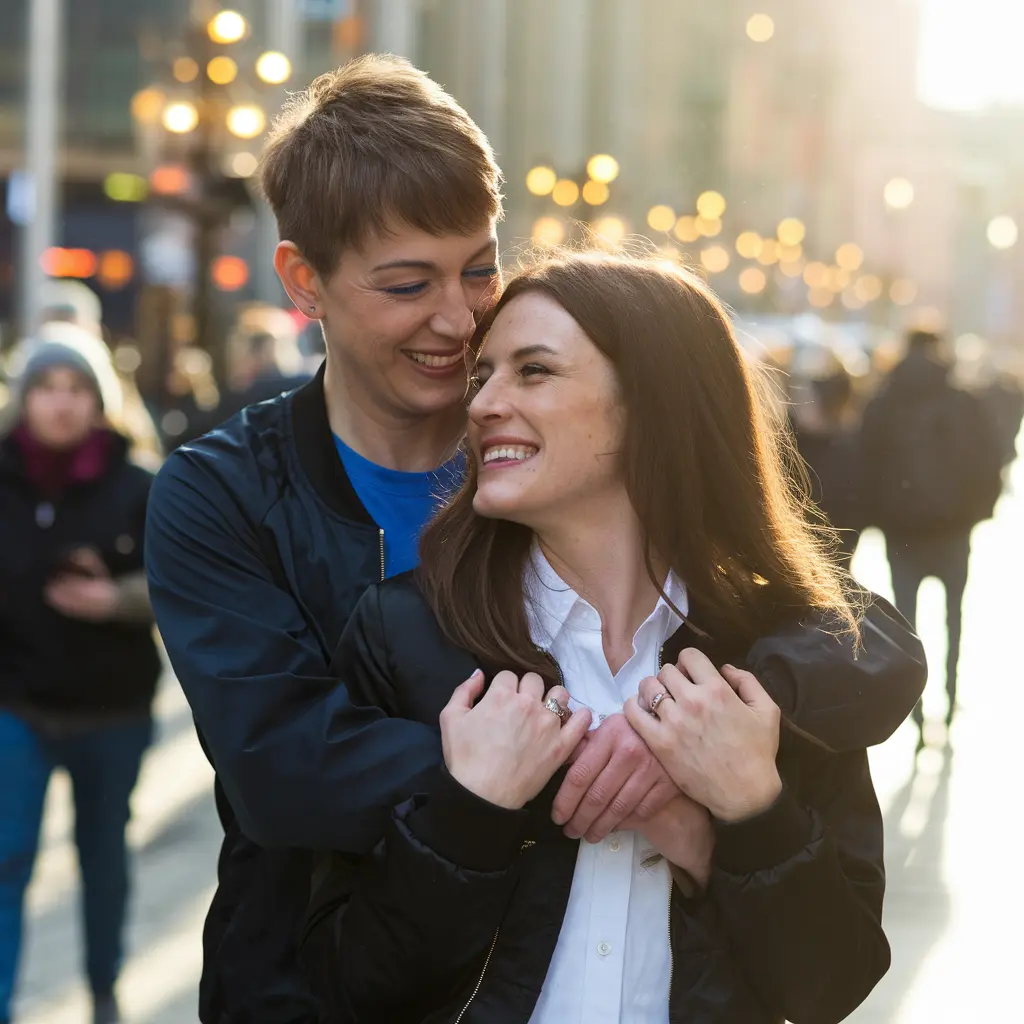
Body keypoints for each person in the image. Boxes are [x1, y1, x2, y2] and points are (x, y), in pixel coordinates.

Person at [146, 57, 923, 1023]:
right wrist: (606, 762)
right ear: (305, 281)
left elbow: (861, 635)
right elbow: (284, 768)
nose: (458, 319)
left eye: (479, 269)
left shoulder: (557, 464)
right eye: (406, 284)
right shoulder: (223, 492)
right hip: (300, 984)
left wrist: (720, 728)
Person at [303, 252, 919, 1023]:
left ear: (652, 404)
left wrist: (735, 818)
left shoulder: (769, 665)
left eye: (533, 372)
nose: (484, 402)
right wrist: (473, 816)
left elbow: (833, 984)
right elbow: (347, 984)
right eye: (484, 375)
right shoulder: (411, 634)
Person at [0, 335, 159, 1024]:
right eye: (47, 386)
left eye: (76, 388)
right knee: (7, 860)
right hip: (17, 705)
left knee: (103, 860)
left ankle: (103, 992)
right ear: (23, 398)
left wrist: (116, 598)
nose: (60, 402)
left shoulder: (141, 483)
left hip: (112, 710)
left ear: (98, 401)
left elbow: (182, 583)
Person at [861, 327, 1003, 740]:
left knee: (907, 620)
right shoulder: (964, 401)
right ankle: (950, 692)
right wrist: (975, 513)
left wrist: (880, 517)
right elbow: (989, 461)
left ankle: (917, 709)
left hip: (903, 534)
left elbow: (864, 465)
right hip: (953, 533)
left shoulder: (883, 403)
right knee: (953, 617)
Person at [789, 355, 865, 568]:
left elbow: (853, 505)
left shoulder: (845, 448)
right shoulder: (789, 441)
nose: (797, 405)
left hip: (835, 550)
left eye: (805, 400)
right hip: (795, 550)